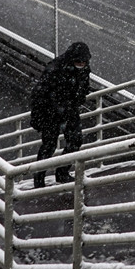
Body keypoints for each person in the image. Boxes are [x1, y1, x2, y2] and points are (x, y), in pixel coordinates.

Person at [28, 42, 92, 188]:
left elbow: (84, 86)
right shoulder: (55, 70)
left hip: (70, 109)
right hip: (50, 112)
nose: (81, 64)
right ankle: (39, 179)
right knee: (49, 146)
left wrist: (78, 98)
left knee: (75, 141)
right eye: (78, 61)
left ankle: (62, 173)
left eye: (83, 62)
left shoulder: (83, 69)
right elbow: (39, 94)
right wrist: (38, 117)